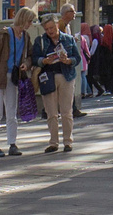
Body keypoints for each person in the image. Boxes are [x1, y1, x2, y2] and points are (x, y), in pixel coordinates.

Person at [0, 6, 35, 156]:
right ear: (23, 20)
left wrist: (26, 64)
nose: (30, 24)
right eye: (29, 21)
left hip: (13, 77)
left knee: (12, 112)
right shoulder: (5, 35)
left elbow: (30, 55)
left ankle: (12, 143)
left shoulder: (25, 37)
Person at [34, 12, 81, 151]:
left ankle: (68, 141)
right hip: (48, 77)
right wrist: (44, 61)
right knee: (51, 112)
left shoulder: (68, 39)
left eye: (52, 28)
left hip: (66, 76)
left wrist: (68, 60)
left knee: (66, 111)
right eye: (47, 29)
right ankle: (53, 142)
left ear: (57, 25)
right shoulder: (40, 41)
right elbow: (35, 58)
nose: (50, 32)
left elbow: (77, 58)